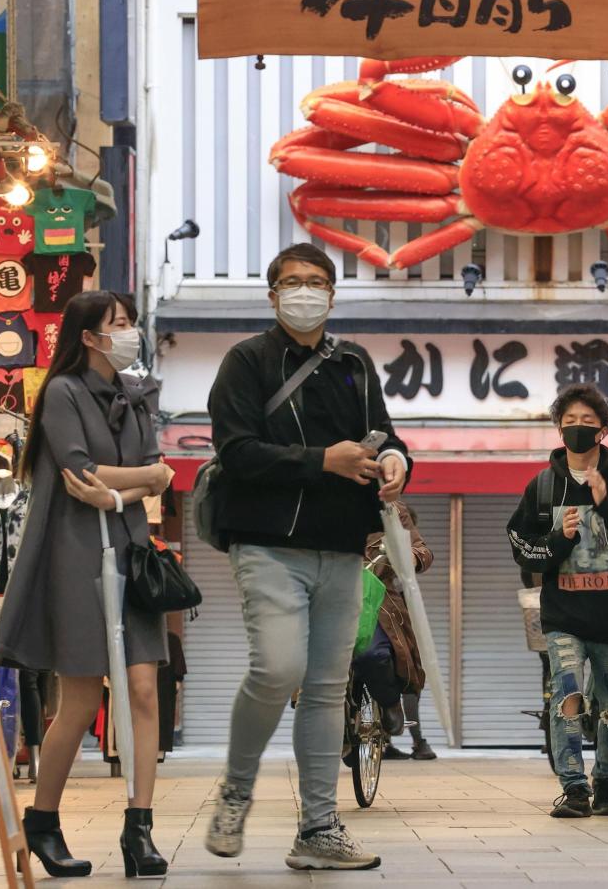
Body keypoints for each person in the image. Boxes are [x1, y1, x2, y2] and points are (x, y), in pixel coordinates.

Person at [205, 243, 408, 871]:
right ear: (271, 294)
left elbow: (384, 434)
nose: (304, 291)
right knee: (277, 669)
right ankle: (236, 791)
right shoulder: (246, 361)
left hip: (342, 546)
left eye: (316, 282)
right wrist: (324, 460)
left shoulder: (353, 362)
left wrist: (398, 460)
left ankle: (318, 830)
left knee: (326, 688)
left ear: (332, 294)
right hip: (267, 543)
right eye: (292, 282)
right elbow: (237, 451)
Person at [0, 291, 174, 878]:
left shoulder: (138, 394)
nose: (130, 333)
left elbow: (148, 477)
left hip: (133, 554)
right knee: (81, 698)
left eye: (131, 323)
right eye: (118, 325)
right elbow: (78, 473)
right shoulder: (64, 394)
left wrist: (128, 486)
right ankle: (43, 819)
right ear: (88, 337)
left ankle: (139, 827)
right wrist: (146, 477)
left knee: (145, 689)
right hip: (75, 555)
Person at [507, 384, 608, 819]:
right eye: (570, 422)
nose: (578, 429)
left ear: (604, 430)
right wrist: (559, 538)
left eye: (588, 423)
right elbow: (521, 544)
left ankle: (606, 781)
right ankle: (574, 787)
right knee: (567, 695)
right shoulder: (541, 486)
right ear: (559, 429)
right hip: (563, 618)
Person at [349, 503, 436, 760]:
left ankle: (389, 702)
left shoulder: (391, 508)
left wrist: (410, 557)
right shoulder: (315, 496)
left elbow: (422, 550)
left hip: (376, 600)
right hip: (327, 596)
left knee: (372, 654)